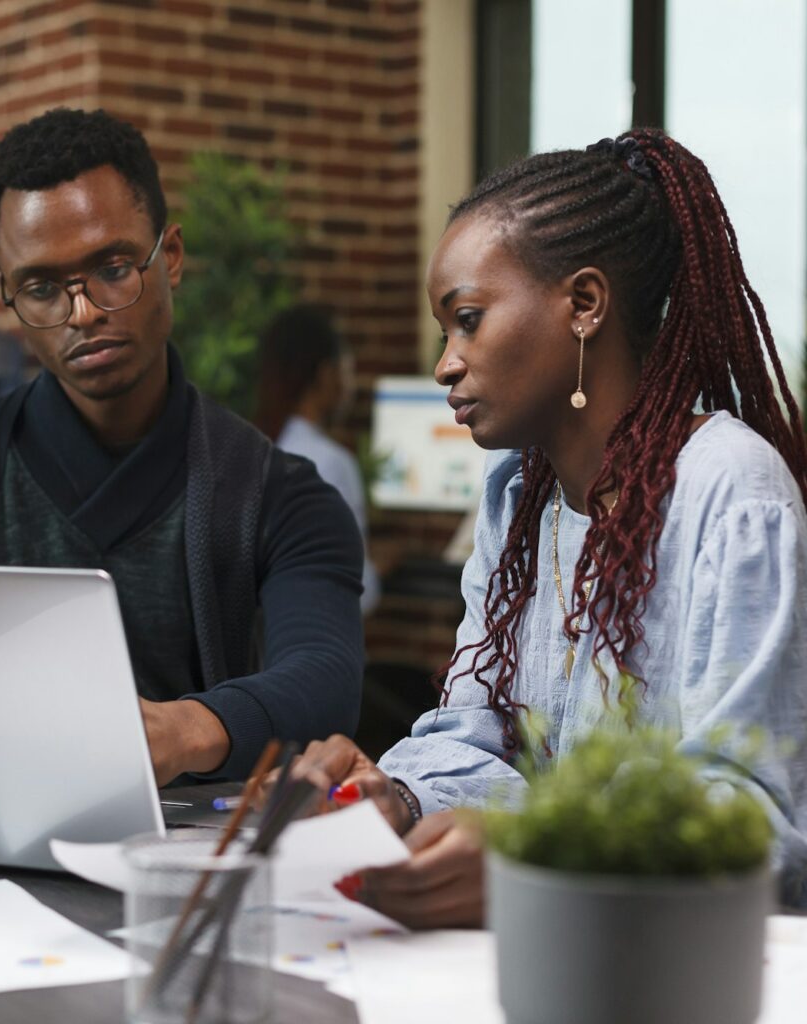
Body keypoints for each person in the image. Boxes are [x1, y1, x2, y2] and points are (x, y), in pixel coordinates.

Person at [277, 129, 807, 927]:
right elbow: (473, 739)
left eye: (467, 320)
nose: (445, 364)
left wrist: (533, 856)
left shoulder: (730, 490)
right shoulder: (518, 497)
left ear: (585, 305)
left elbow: (749, 822)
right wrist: (399, 797)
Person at [0, 107, 365, 787]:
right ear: (9, 296)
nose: (83, 312)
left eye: (112, 267)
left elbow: (323, 679)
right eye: (42, 287)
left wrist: (185, 730)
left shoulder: (278, 497)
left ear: (174, 257)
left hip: (182, 872)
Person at [253, 304, 380, 614]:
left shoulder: (256, 452)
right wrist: (378, 568)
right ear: (326, 375)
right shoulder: (332, 463)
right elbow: (355, 591)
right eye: (349, 370)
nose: (352, 387)